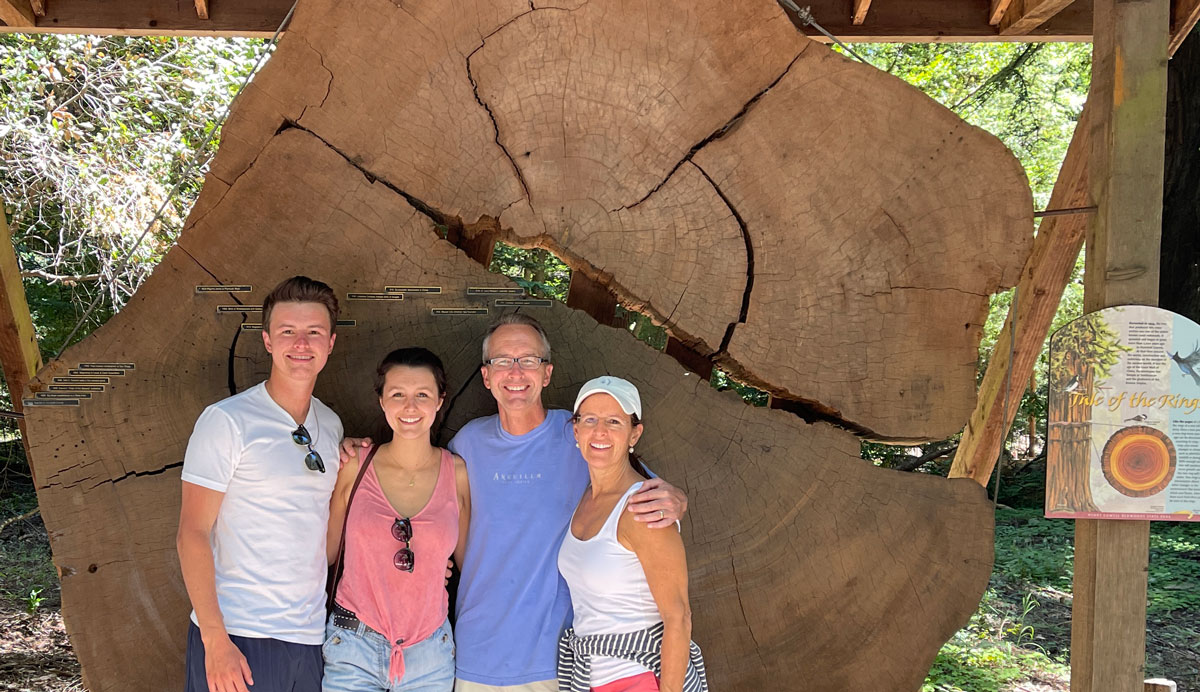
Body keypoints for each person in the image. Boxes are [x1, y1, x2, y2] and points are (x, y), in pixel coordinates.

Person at [342, 313, 687, 692]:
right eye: (502, 361)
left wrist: (677, 498)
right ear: (486, 376)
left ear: (547, 373)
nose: (516, 372)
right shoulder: (465, 448)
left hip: (557, 661)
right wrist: (356, 451)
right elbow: (417, 502)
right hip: (473, 657)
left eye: (528, 360)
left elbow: (640, 492)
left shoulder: (583, 436)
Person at [177, 276, 343, 692]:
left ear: (331, 343)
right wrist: (215, 640)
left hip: (308, 640)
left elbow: (320, 542)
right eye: (288, 332)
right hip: (239, 636)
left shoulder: (332, 424)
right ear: (268, 341)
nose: (301, 344)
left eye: (313, 333)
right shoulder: (227, 421)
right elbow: (192, 533)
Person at [323, 348, 471, 692]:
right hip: (353, 647)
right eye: (397, 395)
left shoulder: (458, 473)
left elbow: (470, 565)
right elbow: (326, 554)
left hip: (430, 653)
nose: (410, 407)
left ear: (440, 401)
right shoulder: (353, 464)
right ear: (381, 401)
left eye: (422, 395)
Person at [557, 377, 706, 692]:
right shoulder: (586, 500)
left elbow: (678, 618)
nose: (600, 432)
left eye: (614, 421)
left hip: (638, 678)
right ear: (576, 430)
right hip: (591, 679)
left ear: (633, 433)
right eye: (590, 420)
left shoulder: (644, 507)